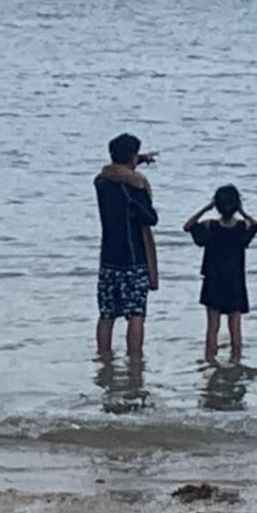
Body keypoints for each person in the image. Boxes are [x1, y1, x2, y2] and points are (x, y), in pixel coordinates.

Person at [94, 133, 158, 358]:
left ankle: (104, 358)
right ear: (131, 158)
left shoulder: (101, 181)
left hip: (108, 258)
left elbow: (116, 170)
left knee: (107, 314)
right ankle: (134, 360)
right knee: (136, 313)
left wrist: (137, 160)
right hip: (133, 259)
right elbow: (150, 217)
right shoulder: (133, 187)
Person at [183, 184, 257, 362]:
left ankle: (210, 360)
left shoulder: (210, 226)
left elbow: (188, 226)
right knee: (235, 327)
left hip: (213, 281)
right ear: (236, 205)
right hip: (235, 282)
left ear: (216, 205)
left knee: (212, 327)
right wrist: (243, 212)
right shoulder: (241, 228)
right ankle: (235, 361)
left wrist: (206, 208)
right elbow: (256, 226)